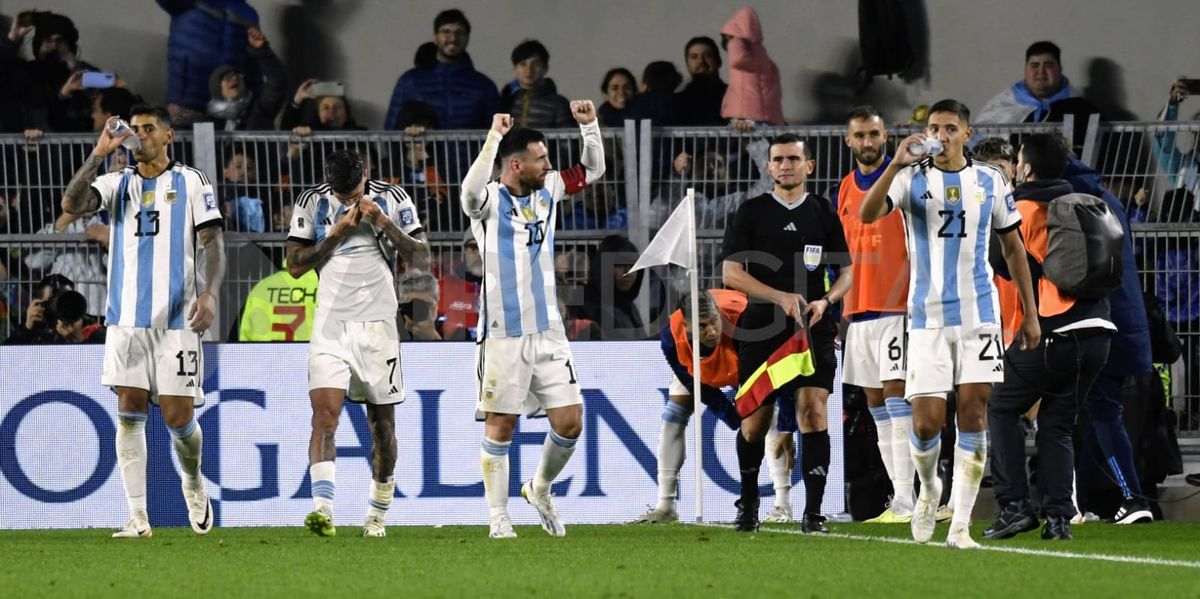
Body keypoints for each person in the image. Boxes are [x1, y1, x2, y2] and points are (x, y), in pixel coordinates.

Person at [860, 99, 1041, 549]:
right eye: (934, 129)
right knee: (925, 423)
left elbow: (1015, 249)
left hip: (980, 316)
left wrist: (1030, 313)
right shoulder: (910, 178)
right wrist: (894, 163)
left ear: (967, 133)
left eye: (949, 128)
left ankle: (959, 525)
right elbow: (866, 215)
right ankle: (929, 491)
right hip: (926, 320)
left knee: (974, 414)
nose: (941, 136)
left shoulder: (990, 180)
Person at [59, 104, 228, 538]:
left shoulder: (191, 181)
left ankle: (192, 481)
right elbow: (71, 204)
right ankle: (138, 517)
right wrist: (99, 152)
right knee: (129, 411)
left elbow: (213, 242)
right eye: (134, 129)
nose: (139, 136)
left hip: (177, 322)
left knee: (177, 419)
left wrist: (209, 292)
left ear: (168, 136)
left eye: (148, 129)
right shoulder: (118, 183)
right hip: (126, 322)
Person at [460, 100, 605, 539]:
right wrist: (493, 137)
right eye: (541, 159)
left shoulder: (549, 190)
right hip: (503, 336)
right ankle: (497, 517)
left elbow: (592, 170)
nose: (549, 165)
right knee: (501, 423)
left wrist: (591, 127)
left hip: (549, 332)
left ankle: (539, 488)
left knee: (571, 421)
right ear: (516, 165)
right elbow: (468, 191)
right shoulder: (489, 201)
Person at [284, 149, 429, 537]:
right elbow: (295, 266)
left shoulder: (394, 199)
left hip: (379, 327)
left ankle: (376, 516)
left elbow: (421, 254)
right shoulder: (312, 201)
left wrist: (383, 223)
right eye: (341, 194)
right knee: (324, 417)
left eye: (353, 193)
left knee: (382, 426)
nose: (348, 200)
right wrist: (335, 234)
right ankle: (323, 511)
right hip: (331, 326)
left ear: (365, 174)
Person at [984, 134, 1114, 542]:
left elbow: (999, 263)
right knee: (1056, 424)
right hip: (1098, 333)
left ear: (1025, 168)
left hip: (1054, 333)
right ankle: (1058, 517)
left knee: (1001, 407)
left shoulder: (1021, 209)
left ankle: (1014, 505)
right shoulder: (1084, 204)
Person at [722, 133, 853, 533]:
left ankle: (813, 513)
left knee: (813, 412)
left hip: (812, 327)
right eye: (778, 159)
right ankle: (748, 504)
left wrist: (826, 302)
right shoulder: (751, 212)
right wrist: (779, 297)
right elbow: (731, 274)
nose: (785, 165)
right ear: (768, 166)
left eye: (793, 158)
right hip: (761, 327)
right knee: (754, 423)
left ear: (808, 166)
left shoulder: (823, 213)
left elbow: (846, 273)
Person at [635, 289, 796, 524]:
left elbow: (779, 376)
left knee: (765, 414)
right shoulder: (671, 337)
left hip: (747, 355)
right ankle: (665, 506)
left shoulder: (745, 323)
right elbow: (693, 383)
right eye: (702, 326)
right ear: (686, 325)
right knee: (673, 414)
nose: (711, 332)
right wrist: (730, 415)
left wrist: (788, 426)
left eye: (714, 322)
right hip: (701, 370)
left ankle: (783, 505)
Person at [1061, 153, 1157, 524]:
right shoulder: (1103, 195)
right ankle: (1081, 501)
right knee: (1095, 412)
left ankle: (1133, 498)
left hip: (1099, 324)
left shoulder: (1074, 202)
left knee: (1102, 412)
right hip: (1124, 322)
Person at [833, 107, 915, 523]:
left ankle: (909, 498)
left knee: (898, 398)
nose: (868, 142)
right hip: (857, 311)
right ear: (848, 140)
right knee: (876, 404)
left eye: (874, 134)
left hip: (897, 306)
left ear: (886, 136)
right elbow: (838, 253)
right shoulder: (845, 188)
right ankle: (902, 496)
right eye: (860, 135)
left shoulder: (905, 180)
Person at [384, 9, 499, 130]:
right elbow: (391, 131)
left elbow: (496, 134)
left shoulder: (484, 85)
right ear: (435, 37)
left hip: (473, 150)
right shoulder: (409, 81)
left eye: (459, 33)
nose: (453, 38)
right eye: (446, 32)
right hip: (424, 150)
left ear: (467, 38)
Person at [157, 0, 259, 126]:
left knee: (224, 145)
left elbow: (253, 60)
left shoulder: (247, 13)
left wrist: (255, 103)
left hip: (229, 106)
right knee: (185, 143)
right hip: (187, 102)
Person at [977, 41, 1096, 124]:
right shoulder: (1000, 105)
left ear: (1060, 69)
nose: (1041, 72)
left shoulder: (1083, 110)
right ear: (1025, 70)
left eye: (1049, 66)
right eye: (1034, 66)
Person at [205, 27, 286, 131]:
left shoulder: (261, 109)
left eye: (238, 75)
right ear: (216, 88)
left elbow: (276, 82)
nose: (234, 78)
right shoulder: (208, 122)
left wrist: (261, 50)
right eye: (227, 77)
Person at [719, 6, 784, 129]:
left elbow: (738, 60)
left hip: (746, 114)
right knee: (758, 147)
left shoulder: (739, 45)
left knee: (744, 145)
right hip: (763, 115)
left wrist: (734, 41)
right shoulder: (761, 53)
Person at [576, 235, 644, 340]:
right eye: (619, 265)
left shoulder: (626, 304)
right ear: (603, 267)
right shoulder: (584, 302)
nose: (628, 273)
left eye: (632, 266)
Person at [499, 40, 573, 129]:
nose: (529, 69)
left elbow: (567, 139)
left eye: (536, 64)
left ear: (545, 68)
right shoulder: (505, 102)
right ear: (514, 68)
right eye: (523, 64)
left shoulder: (559, 104)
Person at [676, 37, 727, 126]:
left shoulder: (734, 96)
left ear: (719, 61)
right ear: (687, 65)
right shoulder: (678, 101)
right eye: (694, 57)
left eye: (708, 56)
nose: (701, 61)